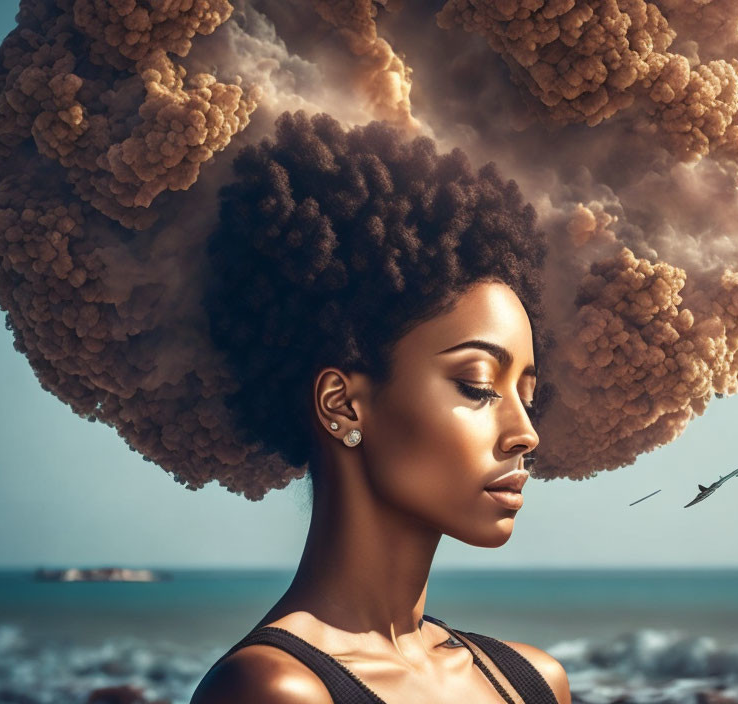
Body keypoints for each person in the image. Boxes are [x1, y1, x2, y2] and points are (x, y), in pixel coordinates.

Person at [190, 111, 571, 703]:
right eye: (477, 385)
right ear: (342, 405)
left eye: (528, 394)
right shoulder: (276, 691)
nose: (526, 434)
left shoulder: (534, 683)